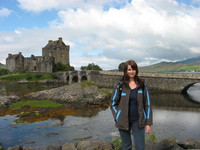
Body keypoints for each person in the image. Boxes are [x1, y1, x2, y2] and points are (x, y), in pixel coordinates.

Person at [110, 60, 153, 150]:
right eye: (129, 69)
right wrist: (117, 116)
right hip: (123, 120)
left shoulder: (142, 85)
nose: (131, 71)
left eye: (133, 69)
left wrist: (148, 123)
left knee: (140, 147)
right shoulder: (120, 85)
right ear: (126, 71)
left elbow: (148, 104)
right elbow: (113, 102)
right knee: (126, 146)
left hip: (138, 121)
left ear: (136, 70)